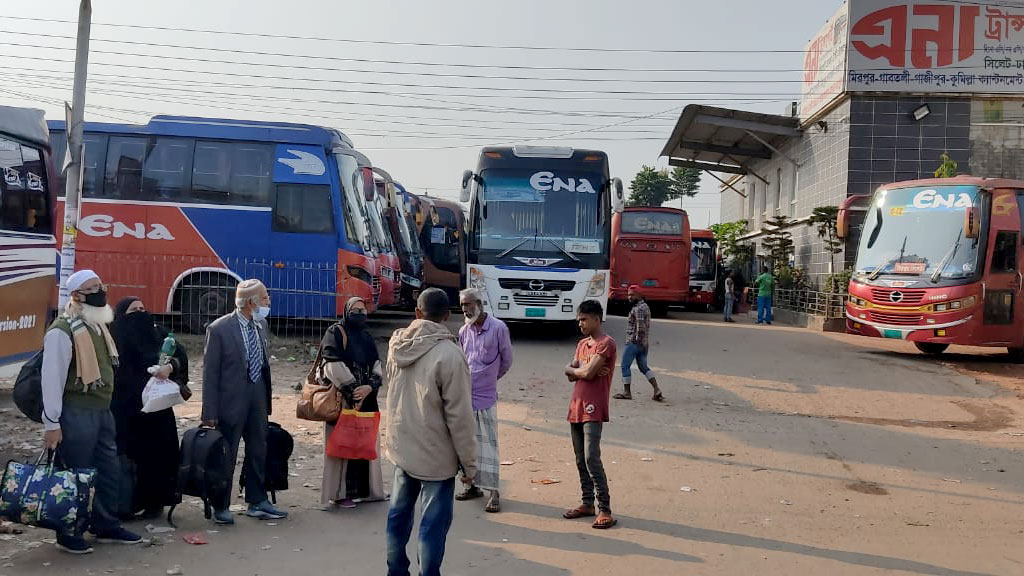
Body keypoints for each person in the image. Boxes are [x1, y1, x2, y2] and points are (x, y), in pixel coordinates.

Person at [40, 270, 143, 554]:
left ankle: (105, 523)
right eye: (93, 287)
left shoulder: (97, 327)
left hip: (102, 412)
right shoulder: (62, 331)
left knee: (108, 470)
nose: (101, 291)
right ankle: (68, 532)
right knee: (75, 476)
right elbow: (52, 380)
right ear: (76, 296)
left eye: (101, 285)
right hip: (76, 414)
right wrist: (52, 424)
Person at [384, 288, 477, 576]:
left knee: (398, 515)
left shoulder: (396, 344)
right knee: (432, 525)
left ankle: (396, 570)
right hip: (436, 455)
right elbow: (460, 417)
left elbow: (392, 388)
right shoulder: (450, 355)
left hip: (402, 446)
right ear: (448, 316)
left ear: (417, 313)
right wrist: (469, 464)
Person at [201, 279, 288, 524]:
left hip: (256, 394)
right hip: (230, 399)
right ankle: (221, 504)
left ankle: (257, 499)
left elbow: (263, 365)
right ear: (250, 302)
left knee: (259, 447)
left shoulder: (261, 325)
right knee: (226, 452)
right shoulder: (220, 329)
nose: (268, 301)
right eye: (264, 297)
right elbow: (210, 373)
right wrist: (209, 411)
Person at [110, 297, 189, 520]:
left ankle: (156, 501)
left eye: (143, 309)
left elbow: (180, 357)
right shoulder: (113, 336)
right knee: (127, 457)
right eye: (134, 310)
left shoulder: (160, 333)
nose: (140, 313)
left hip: (157, 409)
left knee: (159, 456)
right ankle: (125, 504)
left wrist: (170, 366)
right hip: (125, 409)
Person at [320, 297, 386, 509]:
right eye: (355, 309)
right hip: (344, 399)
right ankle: (340, 494)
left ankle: (368, 492)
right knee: (343, 444)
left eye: (363, 309)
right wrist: (352, 389)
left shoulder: (366, 336)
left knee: (366, 444)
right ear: (347, 311)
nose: (360, 313)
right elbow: (331, 363)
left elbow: (377, 363)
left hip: (367, 399)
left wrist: (369, 387)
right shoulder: (335, 333)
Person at [562, 299, 618, 530]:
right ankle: (587, 503)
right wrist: (578, 371)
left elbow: (586, 371)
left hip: (594, 407)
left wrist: (579, 371)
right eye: (579, 320)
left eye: (584, 319)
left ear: (597, 318)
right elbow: (575, 372)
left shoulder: (606, 344)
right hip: (576, 405)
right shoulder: (582, 344)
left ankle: (604, 508)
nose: (580, 324)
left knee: (591, 457)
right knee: (579, 458)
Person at [456, 288, 513, 514]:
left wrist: (489, 378)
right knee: (464, 445)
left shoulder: (498, 328)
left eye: (468, 304)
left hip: (486, 396)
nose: (465, 309)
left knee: (488, 446)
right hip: (464, 396)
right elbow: (461, 361)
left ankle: (493, 492)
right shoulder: (463, 331)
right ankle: (471, 486)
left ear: (479, 304)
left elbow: (507, 361)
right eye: (462, 305)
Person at [613, 286, 663, 402]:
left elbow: (640, 327)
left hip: (634, 342)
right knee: (643, 367)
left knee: (625, 365)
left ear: (640, 295)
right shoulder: (645, 306)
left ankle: (627, 392)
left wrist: (636, 341)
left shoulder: (638, 308)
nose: (629, 297)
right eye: (629, 295)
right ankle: (657, 389)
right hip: (644, 344)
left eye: (632, 295)